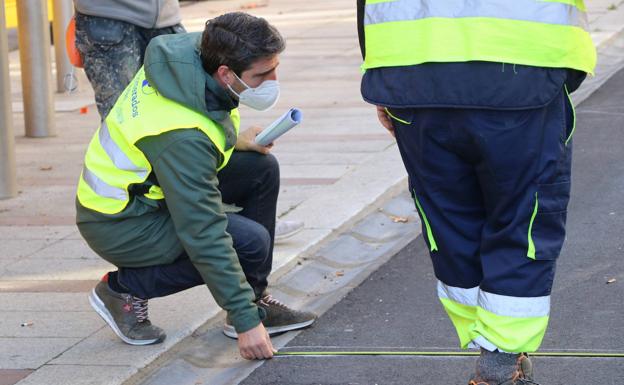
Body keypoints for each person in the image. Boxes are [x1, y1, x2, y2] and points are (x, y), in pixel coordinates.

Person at [357, 1, 596, 384]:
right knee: (524, 218)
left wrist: (382, 76)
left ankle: (495, 354)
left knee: (449, 221)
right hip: (523, 71)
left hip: (411, 77)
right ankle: (500, 362)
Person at [75, 12, 316, 360]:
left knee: (260, 169)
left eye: (274, 68)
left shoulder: (194, 56)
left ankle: (254, 301)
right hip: (119, 221)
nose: (273, 80)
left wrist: (234, 141)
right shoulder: (180, 138)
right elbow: (202, 231)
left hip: (148, 191)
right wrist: (249, 327)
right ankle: (121, 290)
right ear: (225, 74)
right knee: (248, 243)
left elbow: (206, 120)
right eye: (262, 74)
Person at [73, 0, 305, 241]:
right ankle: (146, 242)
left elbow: (198, 115)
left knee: (203, 95)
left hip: (163, 17)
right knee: (132, 123)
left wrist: (234, 139)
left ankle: (228, 228)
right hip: (109, 17)